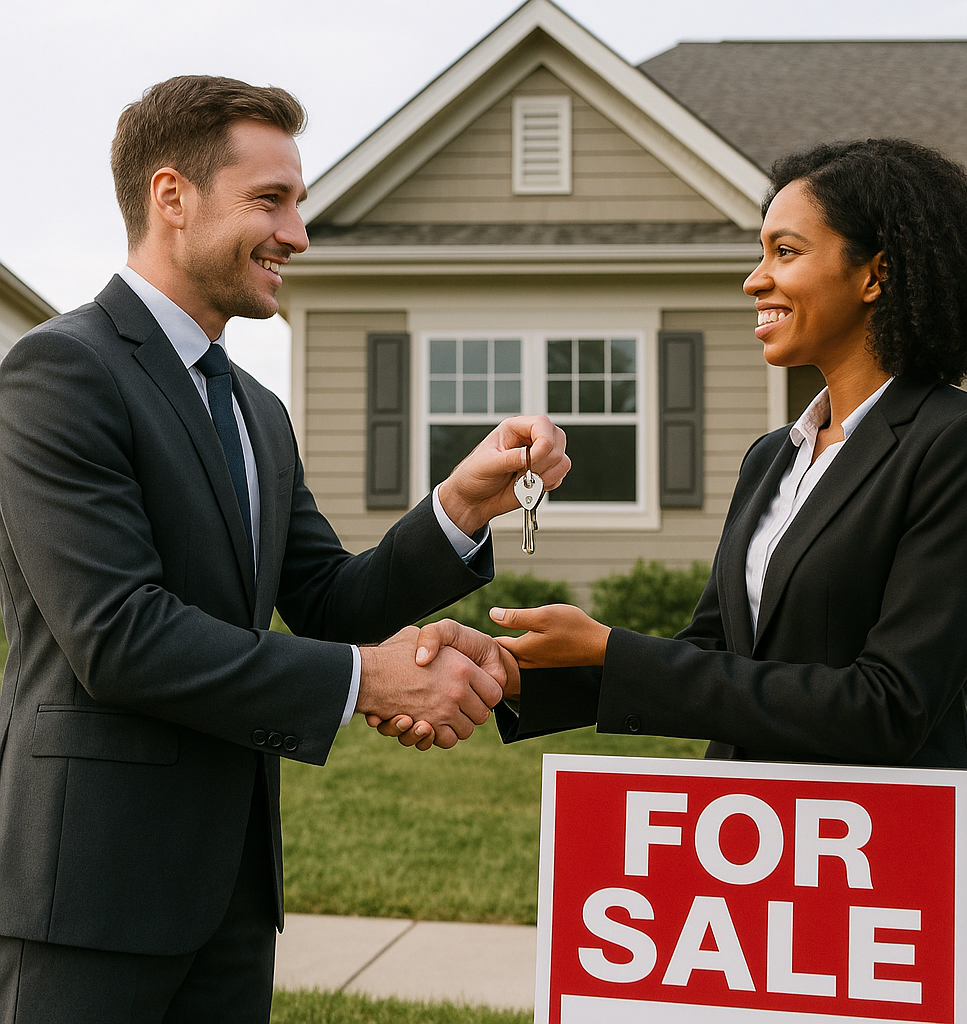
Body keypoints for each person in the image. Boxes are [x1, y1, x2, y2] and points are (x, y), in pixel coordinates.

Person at [390, 139, 967, 1021]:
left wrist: (612, 648)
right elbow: (714, 653)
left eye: (786, 252)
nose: (754, 280)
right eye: (760, 252)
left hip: (896, 894)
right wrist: (508, 670)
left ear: (876, 273)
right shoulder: (774, 457)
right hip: (748, 885)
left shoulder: (965, 446)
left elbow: (889, 705)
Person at [0, 75, 567, 1023]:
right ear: (171, 197)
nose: (298, 234)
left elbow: (330, 600)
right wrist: (371, 681)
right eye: (271, 200)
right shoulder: (61, 371)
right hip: (87, 896)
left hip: (234, 898)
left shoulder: (259, 412)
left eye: (297, 203)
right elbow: (119, 637)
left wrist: (462, 504)